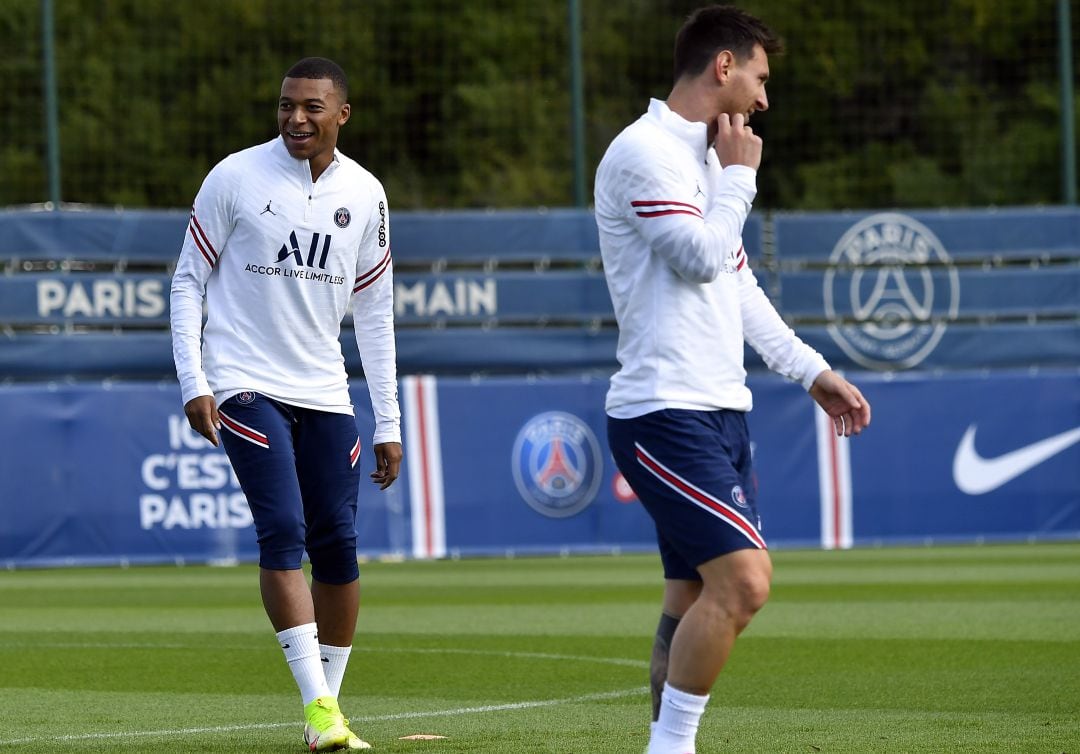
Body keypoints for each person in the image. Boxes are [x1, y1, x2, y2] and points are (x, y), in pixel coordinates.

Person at [594, 6, 871, 753]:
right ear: (724, 67)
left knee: (692, 592)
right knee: (746, 582)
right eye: (760, 76)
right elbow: (697, 255)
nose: (764, 98)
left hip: (721, 410)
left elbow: (735, 283)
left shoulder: (706, 160)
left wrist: (812, 372)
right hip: (663, 411)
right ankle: (670, 747)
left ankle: (664, 741)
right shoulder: (645, 151)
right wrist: (741, 181)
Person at [170, 56, 401, 751]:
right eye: (285, 106)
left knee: (338, 543)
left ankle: (327, 707)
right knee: (284, 528)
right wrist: (195, 381)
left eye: (311, 107)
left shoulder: (366, 194)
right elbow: (188, 282)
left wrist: (387, 420)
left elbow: (377, 313)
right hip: (244, 381)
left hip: (327, 390)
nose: (296, 118)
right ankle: (319, 710)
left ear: (342, 114)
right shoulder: (235, 176)